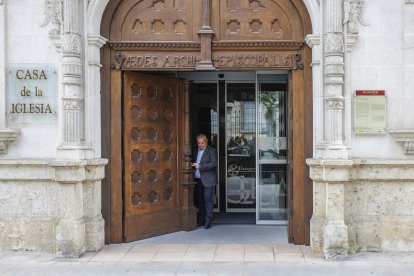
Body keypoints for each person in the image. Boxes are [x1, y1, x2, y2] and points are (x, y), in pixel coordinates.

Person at [192, 133, 218, 229]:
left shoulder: (211, 150)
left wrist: (200, 166)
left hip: (208, 180)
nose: (201, 145)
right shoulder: (195, 151)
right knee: (200, 200)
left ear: (206, 141)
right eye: (199, 143)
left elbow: (214, 163)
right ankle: (201, 220)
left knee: (208, 200)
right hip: (198, 179)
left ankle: (208, 221)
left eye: (202, 143)